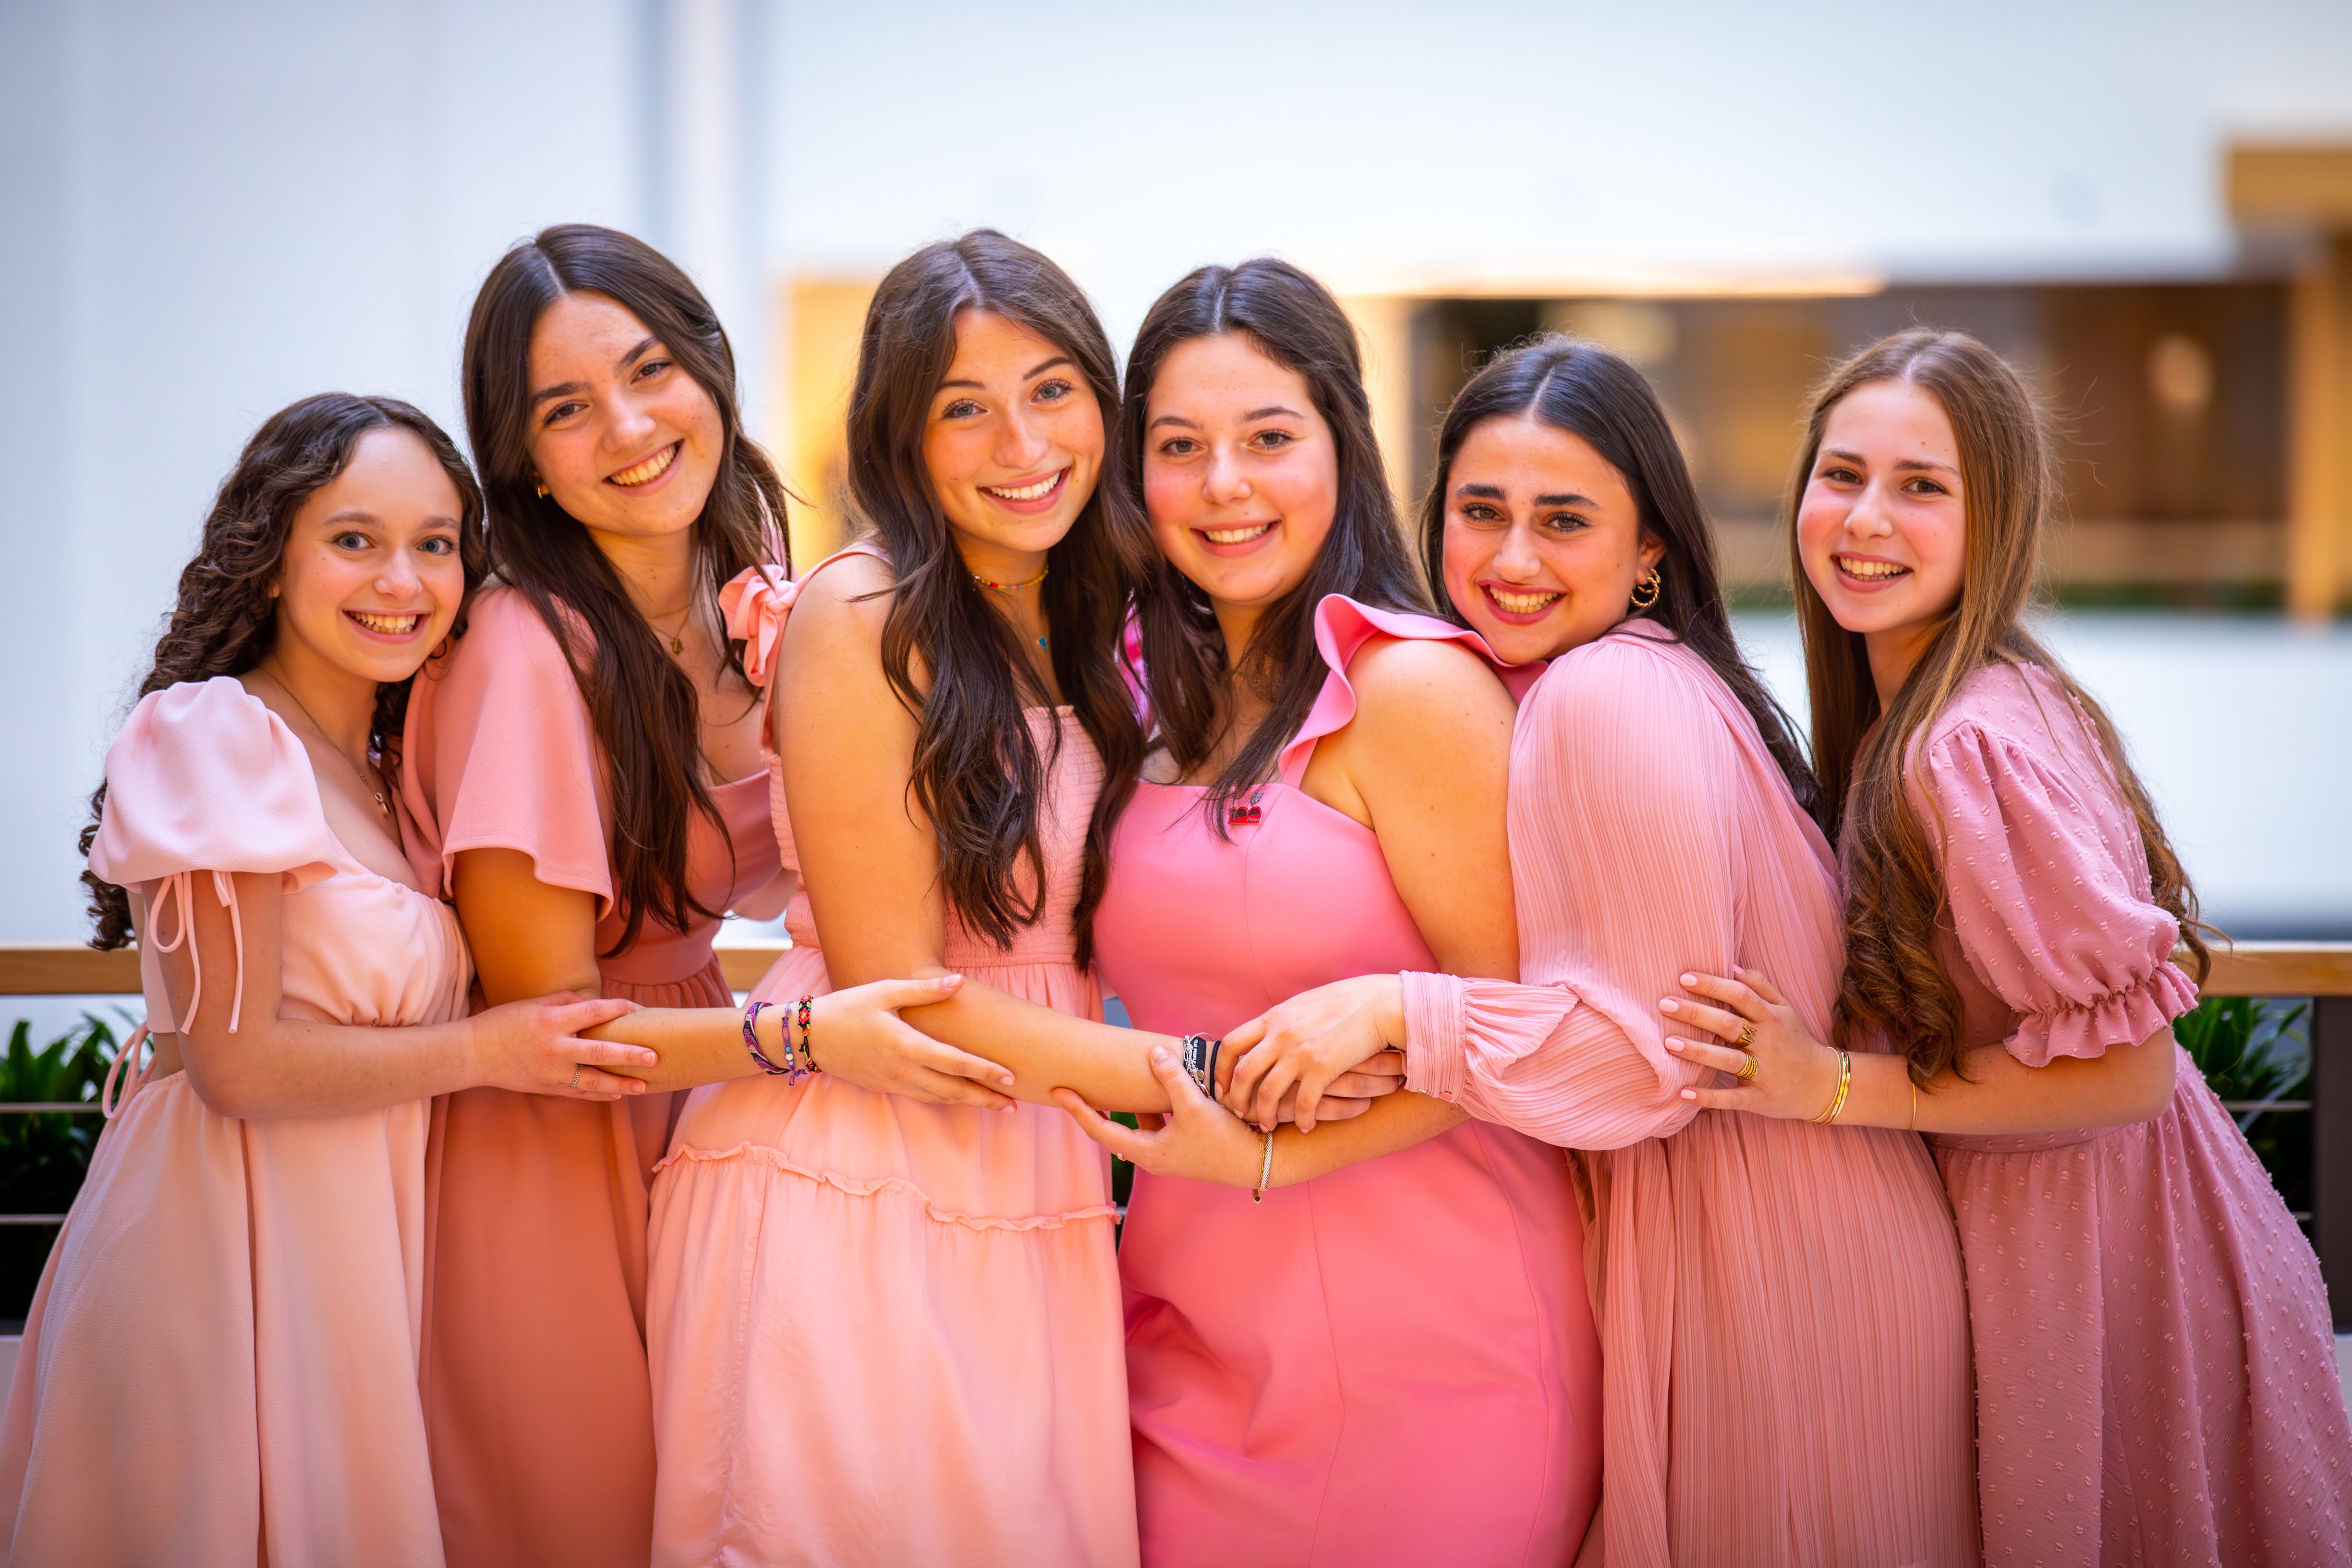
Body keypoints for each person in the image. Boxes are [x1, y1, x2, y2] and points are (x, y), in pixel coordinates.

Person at [1212, 336, 1981, 1566]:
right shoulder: (1606, 683)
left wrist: (1391, 1008)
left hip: (1783, 1275)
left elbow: (1645, 1062)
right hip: (1768, 1247)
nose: (1512, 560)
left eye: (1563, 521)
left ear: (1648, 550)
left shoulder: (1607, 693)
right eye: (1481, 512)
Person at [1662, 328, 2352, 1567]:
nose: (1866, 518)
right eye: (1842, 474)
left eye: (1922, 486)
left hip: (2110, 1266)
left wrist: (1822, 1084)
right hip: (2096, 1239)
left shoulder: (1962, 746)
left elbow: (2129, 1070)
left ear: (1996, 524)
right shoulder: (1947, 709)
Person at [0, 394, 642, 1566]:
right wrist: (490, 1051)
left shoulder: (395, 770)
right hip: (221, 1243)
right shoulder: (217, 733)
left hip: (358, 1242)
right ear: (272, 557)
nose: (402, 579)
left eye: (435, 543)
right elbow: (236, 1063)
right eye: (355, 539)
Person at [1052, 262, 1601, 1566]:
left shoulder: (1410, 688)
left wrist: (1298, 1117)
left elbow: (1532, 1028)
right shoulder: (1141, 697)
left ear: (1342, 446)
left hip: (1435, 1344)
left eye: (1267, 439)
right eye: (1178, 447)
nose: (1223, 485)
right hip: (1186, 1329)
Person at [399, 224, 797, 1568]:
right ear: (521, 458)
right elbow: (553, 1025)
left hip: (704, 1105)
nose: (628, 428)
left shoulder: (751, 599)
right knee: (579, 1518)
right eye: (565, 409)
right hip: (553, 1145)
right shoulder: (523, 645)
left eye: (649, 370)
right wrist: (805, 1041)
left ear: (709, 368)